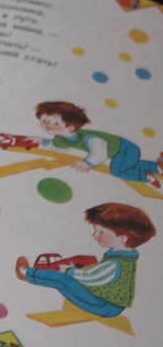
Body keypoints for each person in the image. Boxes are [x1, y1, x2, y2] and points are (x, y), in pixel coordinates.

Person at [16, 202, 155, 317]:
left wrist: (69, 271)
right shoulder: (122, 257)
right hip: (105, 302)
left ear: (122, 239)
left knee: (61, 279)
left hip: (103, 305)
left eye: (101, 231)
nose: (95, 234)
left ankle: (26, 273)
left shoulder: (115, 263)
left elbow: (91, 277)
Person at [28, 101, 163, 187]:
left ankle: (146, 176)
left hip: (126, 149)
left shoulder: (90, 138)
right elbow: (59, 147)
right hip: (121, 153)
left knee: (117, 170)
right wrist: (42, 141)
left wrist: (87, 163)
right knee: (127, 164)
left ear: (70, 127)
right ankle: (157, 166)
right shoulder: (62, 137)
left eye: (55, 123)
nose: (47, 125)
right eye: (44, 120)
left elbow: (100, 154)